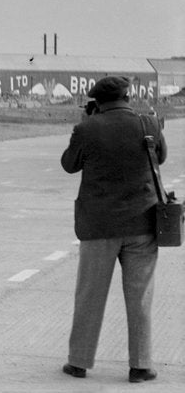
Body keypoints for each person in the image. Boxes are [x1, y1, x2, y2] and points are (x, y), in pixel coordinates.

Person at [60, 76, 164, 383]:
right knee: (140, 297)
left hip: (99, 226)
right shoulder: (149, 124)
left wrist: (82, 126)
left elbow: (69, 164)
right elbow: (161, 157)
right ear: (127, 97)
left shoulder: (87, 129)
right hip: (142, 224)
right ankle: (141, 366)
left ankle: (79, 362)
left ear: (97, 103)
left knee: (90, 295)